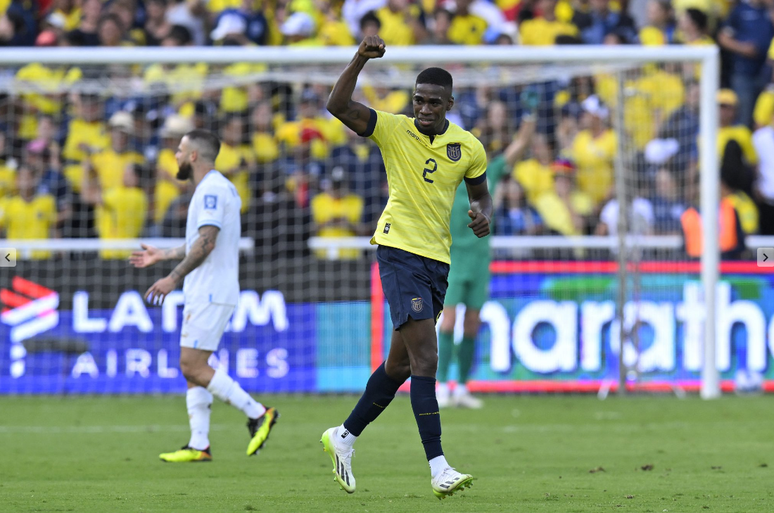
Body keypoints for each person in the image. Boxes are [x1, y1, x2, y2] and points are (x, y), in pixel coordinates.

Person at [321, 35, 491, 499]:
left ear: (450, 103)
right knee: (426, 358)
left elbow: (480, 192)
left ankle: (344, 436)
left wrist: (484, 213)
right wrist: (359, 58)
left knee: (397, 366)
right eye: (419, 99)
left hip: (437, 260)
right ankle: (438, 467)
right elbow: (337, 104)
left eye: (434, 102)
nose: (425, 108)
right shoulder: (393, 129)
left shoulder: (468, 146)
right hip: (398, 250)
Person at [129, 129, 278, 462]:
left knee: (192, 365)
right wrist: (163, 255)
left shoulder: (211, 189)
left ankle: (258, 413)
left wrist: (172, 277)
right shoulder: (213, 188)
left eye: (180, 150)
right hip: (207, 290)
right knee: (192, 368)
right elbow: (199, 240)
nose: (176, 156)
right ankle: (199, 444)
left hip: (210, 290)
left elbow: (207, 243)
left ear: (193, 155)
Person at [437, 100, 536, 409]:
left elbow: (520, 144)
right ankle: (441, 385)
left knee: (472, 323)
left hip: (480, 258)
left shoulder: (490, 173)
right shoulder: (444, 176)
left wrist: (530, 114)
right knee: (448, 321)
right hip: (452, 258)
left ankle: (463, 386)